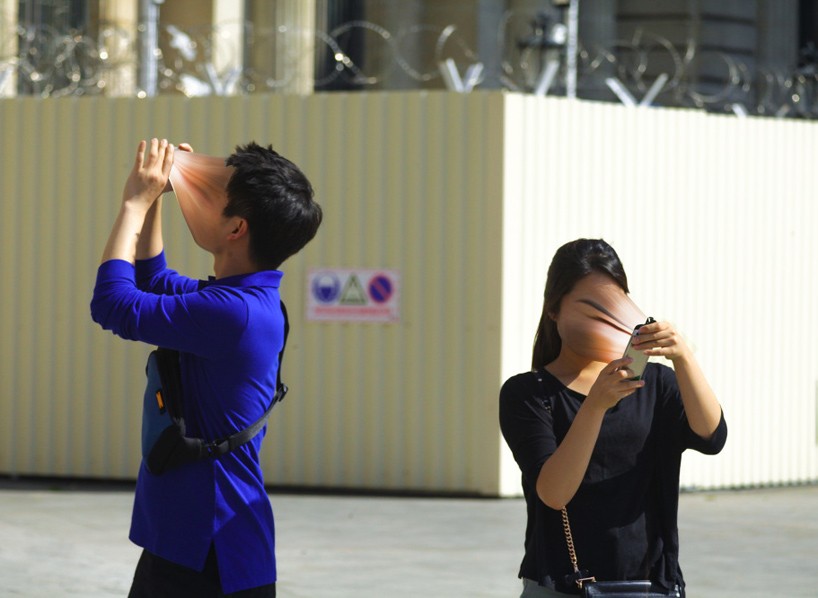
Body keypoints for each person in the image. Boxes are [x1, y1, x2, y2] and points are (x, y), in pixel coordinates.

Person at [90, 138, 322, 597]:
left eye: (215, 195)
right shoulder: (238, 301)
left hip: (211, 550)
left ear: (236, 227)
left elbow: (113, 304)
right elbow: (153, 281)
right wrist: (157, 199)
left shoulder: (234, 313)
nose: (198, 197)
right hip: (191, 539)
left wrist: (134, 203)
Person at [499, 238, 726, 597]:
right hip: (563, 585)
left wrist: (683, 357)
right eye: (591, 308)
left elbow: (712, 437)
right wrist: (594, 406)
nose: (606, 319)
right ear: (554, 310)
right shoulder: (528, 393)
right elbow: (554, 493)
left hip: (651, 585)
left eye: (613, 306)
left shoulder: (656, 383)